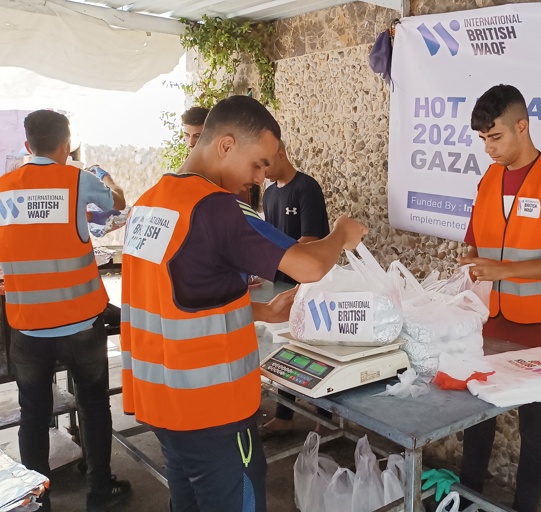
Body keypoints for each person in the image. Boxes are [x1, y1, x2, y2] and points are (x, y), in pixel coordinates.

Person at [120, 95, 367, 512]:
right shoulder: (216, 208)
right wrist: (341, 232)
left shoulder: (148, 204)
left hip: (160, 404)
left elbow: (180, 299)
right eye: (257, 165)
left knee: (189, 502)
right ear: (226, 145)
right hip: (213, 411)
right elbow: (308, 265)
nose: (260, 179)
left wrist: (262, 311)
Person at [459, 84, 541, 512]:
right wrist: (467, 272)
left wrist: (506, 271)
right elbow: (474, 246)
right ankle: (465, 500)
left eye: (495, 138)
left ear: (522, 126)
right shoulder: (488, 180)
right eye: (483, 140)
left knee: (536, 433)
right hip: (492, 324)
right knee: (476, 425)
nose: (489, 150)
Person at [0, 110, 130, 512]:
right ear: (65, 144)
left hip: (27, 327)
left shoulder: (4, 188)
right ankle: (99, 489)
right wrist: (104, 176)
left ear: (27, 146)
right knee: (93, 404)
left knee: (33, 414)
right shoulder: (78, 179)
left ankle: (38, 500)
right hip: (80, 324)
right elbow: (119, 204)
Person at [258, 140, 332, 439]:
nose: (262, 172)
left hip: (310, 282)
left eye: (265, 163)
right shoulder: (270, 192)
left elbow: (311, 241)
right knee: (286, 348)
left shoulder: (306, 188)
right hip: (283, 282)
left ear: (281, 152)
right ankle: (285, 415)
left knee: (316, 350)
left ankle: (325, 423)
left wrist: (277, 258)